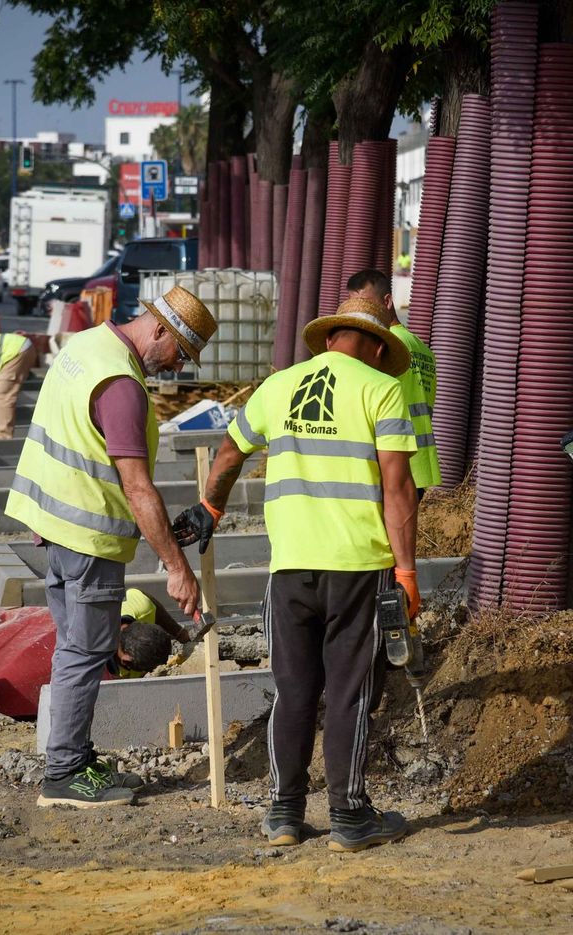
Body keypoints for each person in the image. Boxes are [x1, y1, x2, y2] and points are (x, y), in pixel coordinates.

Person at [174, 296, 419, 853]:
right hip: (358, 568)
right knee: (350, 695)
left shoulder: (279, 386)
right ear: (378, 346)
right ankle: (350, 818)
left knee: (294, 693)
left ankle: (284, 815)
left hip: (289, 570)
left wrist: (211, 509)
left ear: (331, 338)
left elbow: (231, 451)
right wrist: (406, 572)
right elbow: (399, 489)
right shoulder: (381, 388)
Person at [5, 284, 217, 808]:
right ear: (161, 329)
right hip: (87, 538)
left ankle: (71, 754)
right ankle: (65, 773)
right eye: (179, 355)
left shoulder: (86, 346)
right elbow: (137, 487)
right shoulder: (122, 385)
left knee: (75, 647)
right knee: (86, 651)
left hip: (54, 525)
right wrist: (176, 566)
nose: (176, 369)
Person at [346, 269, 442, 498]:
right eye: (354, 306)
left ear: (387, 301)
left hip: (393, 460)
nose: (361, 313)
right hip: (418, 462)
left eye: (366, 304)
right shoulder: (420, 347)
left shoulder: (387, 346)